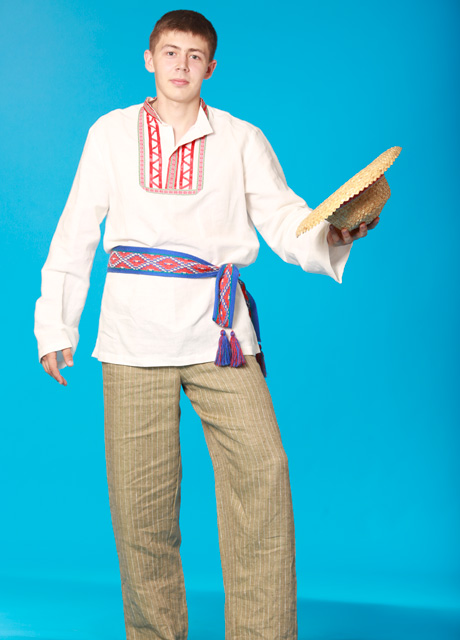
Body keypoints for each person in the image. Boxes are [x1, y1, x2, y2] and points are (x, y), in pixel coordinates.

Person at [35, 9, 379, 640]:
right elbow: (76, 228)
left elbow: (285, 220)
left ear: (211, 68)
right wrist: (56, 327)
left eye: (195, 56)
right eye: (171, 53)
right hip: (132, 334)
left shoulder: (243, 138)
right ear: (150, 59)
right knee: (141, 507)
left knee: (263, 472)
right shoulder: (110, 133)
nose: (182, 65)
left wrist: (334, 232)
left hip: (219, 333)